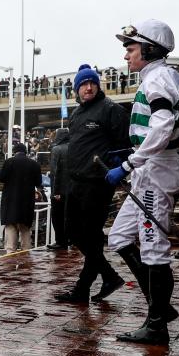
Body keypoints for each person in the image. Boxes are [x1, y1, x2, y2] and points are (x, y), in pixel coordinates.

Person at [105, 20, 179, 345]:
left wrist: (128, 163)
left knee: (154, 249)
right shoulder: (161, 77)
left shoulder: (158, 78)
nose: (126, 56)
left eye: (131, 49)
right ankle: (161, 306)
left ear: (149, 49)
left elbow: (163, 126)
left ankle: (156, 325)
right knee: (119, 236)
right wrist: (131, 153)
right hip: (150, 167)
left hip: (155, 171)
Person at [55, 64, 131, 304]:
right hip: (75, 182)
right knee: (73, 233)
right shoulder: (76, 114)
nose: (88, 87)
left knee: (90, 235)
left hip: (98, 183)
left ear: (98, 85)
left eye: (92, 83)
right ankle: (106, 278)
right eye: (83, 84)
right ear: (77, 89)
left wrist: (118, 167)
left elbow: (125, 145)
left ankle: (85, 287)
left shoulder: (111, 109)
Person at [0, 143, 43, 252]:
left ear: (15, 151)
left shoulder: (9, 162)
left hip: (11, 200)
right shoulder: (35, 164)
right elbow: (38, 182)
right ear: (26, 151)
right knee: (25, 228)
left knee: (11, 226)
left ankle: (10, 252)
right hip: (27, 201)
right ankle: (26, 252)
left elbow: (1, 178)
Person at [47, 128, 70, 250]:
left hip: (60, 191)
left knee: (57, 217)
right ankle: (71, 239)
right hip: (73, 190)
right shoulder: (75, 148)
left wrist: (55, 192)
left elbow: (54, 172)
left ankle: (61, 241)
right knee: (71, 216)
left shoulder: (56, 149)